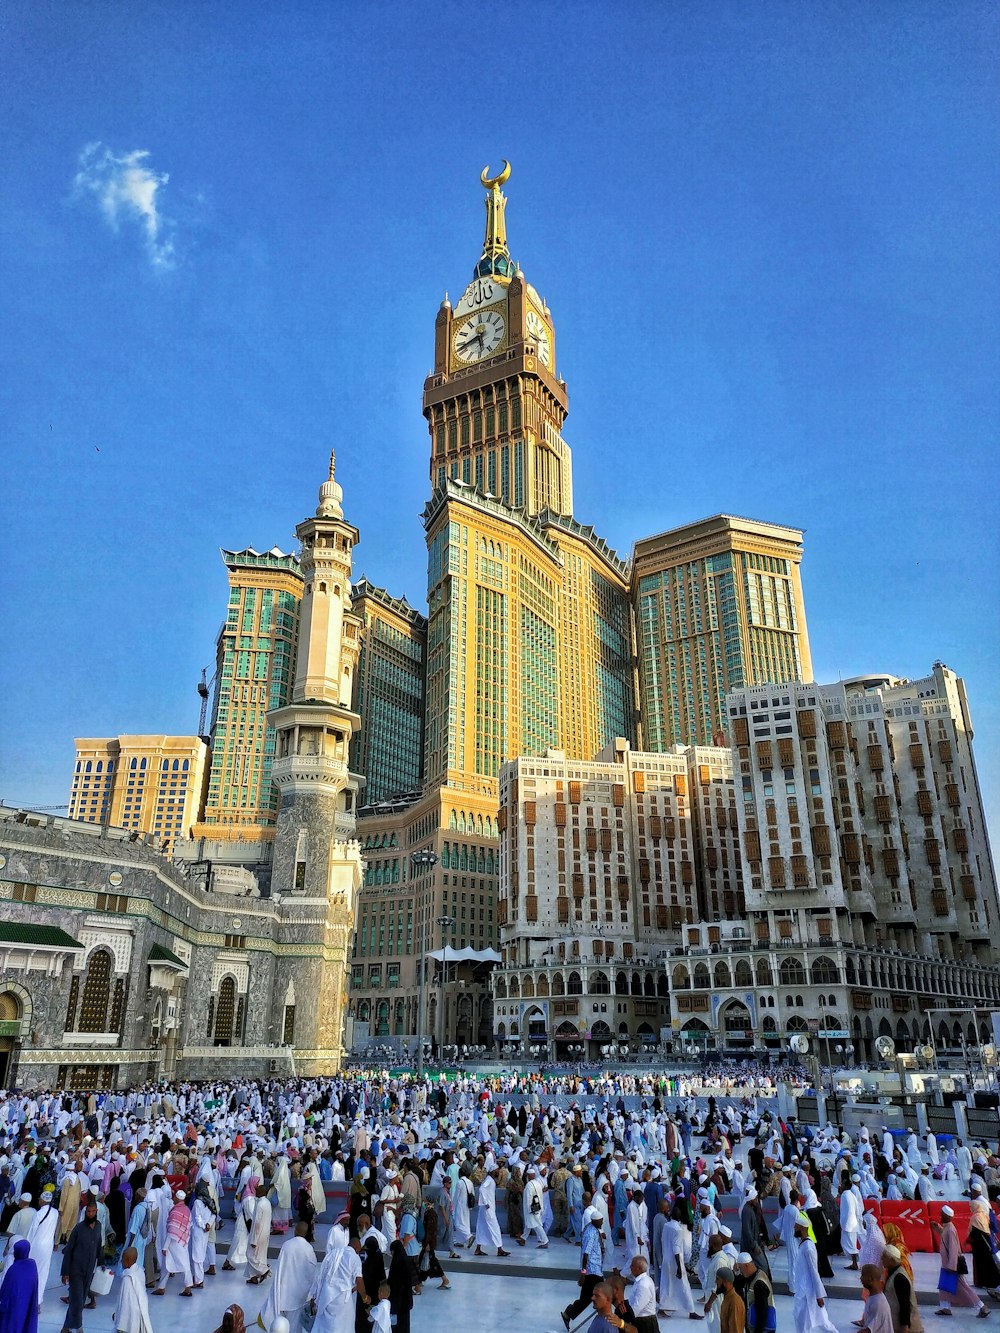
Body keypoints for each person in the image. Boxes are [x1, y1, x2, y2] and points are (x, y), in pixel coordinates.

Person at [259, 1224, 318, 1333]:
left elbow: (281, 1266)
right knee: (294, 1327)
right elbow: (311, 1271)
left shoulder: (287, 1245)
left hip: (283, 1292)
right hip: (298, 1296)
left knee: (279, 1325)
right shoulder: (308, 1249)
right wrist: (309, 1293)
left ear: (295, 1231)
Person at [934, 1204, 988, 1317]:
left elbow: (953, 1249)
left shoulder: (950, 1230)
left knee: (963, 1288)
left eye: (942, 1214)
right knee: (944, 1286)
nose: (940, 1216)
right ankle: (945, 1307)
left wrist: (951, 1266)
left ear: (947, 1216)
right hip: (947, 1264)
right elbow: (944, 1237)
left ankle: (982, 1307)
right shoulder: (947, 1228)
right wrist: (938, 1228)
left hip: (951, 1265)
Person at [791, 1212, 837, 1333]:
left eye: (796, 1226)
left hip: (808, 1292)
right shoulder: (803, 1244)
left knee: (818, 1323)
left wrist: (819, 1295)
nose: (794, 1228)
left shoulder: (808, 1247)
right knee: (805, 1321)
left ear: (802, 1228)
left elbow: (814, 1272)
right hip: (802, 1290)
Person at [60, 1202, 102, 1333]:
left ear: (96, 1212)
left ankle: (66, 1328)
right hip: (76, 1270)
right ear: (85, 1212)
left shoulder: (98, 1226)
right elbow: (69, 1251)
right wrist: (65, 1272)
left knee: (80, 1299)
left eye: (93, 1211)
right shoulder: (78, 1228)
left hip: (89, 1270)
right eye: (88, 1211)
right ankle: (79, 1328)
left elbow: (99, 1244)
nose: (91, 1214)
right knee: (78, 1301)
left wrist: (101, 1264)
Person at [562, 1206, 606, 1331]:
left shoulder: (593, 1228)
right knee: (597, 1296)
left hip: (596, 1269)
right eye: (601, 1220)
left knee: (587, 1298)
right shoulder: (591, 1233)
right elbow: (586, 1254)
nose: (602, 1222)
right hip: (592, 1271)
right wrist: (583, 1273)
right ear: (595, 1220)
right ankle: (569, 1313)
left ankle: (568, 1313)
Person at [154, 1190, 193, 1298]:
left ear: (177, 1198)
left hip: (174, 1242)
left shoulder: (175, 1211)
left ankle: (188, 1287)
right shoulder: (187, 1210)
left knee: (184, 1264)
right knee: (167, 1265)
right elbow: (189, 1226)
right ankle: (161, 1287)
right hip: (183, 1241)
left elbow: (171, 1231)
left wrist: (165, 1247)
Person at [882, 1244, 923, 1333]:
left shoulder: (899, 1277)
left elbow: (905, 1304)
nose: (881, 1259)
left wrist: (904, 1327)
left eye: (884, 1257)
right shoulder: (893, 1273)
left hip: (907, 1328)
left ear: (891, 1260)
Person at [0, 1238, 38, 1333]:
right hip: (27, 1304)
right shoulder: (32, 1265)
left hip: (13, 1308)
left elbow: (4, 1291)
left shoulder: (13, 1269)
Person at [112, 1248, 152, 1333]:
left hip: (129, 1319)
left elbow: (125, 1303)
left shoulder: (127, 1279)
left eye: (122, 1259)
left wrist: (118, 1316)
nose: (121, 1261)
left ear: (128, 1260)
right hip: (139, 1313)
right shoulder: (140, 1271)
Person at [736, 1251, 775, 1333]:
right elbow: (738, 1284)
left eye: (740, 1268)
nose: (740, 1272)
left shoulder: (759, 1283)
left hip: (761, 1329)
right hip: (754, 1325)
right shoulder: (755, 1274)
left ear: (746, 1266)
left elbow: (762, 1312)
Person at [473, 1170, 509, 1257]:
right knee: (495, 1228)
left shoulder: (489, 1179)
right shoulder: (489, 1180)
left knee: (482, 1228)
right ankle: (500, 1249)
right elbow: (481, 1189)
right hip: (488, 1209)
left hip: (485, 1209)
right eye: (496, 1170)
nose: (498, 1172)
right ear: (493, 1171)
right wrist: (485, 1202)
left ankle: (478, 1249)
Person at [246, 1183, 272, 1286]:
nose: (255, 1192)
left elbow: (257, 1224)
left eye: (257, 1190)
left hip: (258, 1234)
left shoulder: (260, 1204)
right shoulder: (267, 1202)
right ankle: (253, 1277)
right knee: (260, 1256)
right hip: (265, 1234)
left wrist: (254, 1240)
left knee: (250, 1254)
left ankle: (263, 1270)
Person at [627, 1255, 658, 1333]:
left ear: (639, 1268)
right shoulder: (641, 1281)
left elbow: (637, 1307)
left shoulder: (643, 1284)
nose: (630, 1267)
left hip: (645, 1322)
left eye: (632, 1265)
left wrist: (626, 1320)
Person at [859, 1264, 894, 1333]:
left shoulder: (878, 1303)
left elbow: (869, 1330)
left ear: (871, 1279)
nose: (860, 1278)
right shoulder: (873, 1297)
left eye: (863, 1275)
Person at [387, 1242, 413, 1333]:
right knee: (404, 1323)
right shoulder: (405, 1261)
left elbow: (395, 1283)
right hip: (405, 1300)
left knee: (397, 1326)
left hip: (398, 1300)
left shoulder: (397, 1264)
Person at [715, 1268, 745, 1333]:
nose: (716, 1282)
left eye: (718, 1279)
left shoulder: (734, 1302)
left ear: (725, 1282)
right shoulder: (727, 1298)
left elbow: (735, 1329)